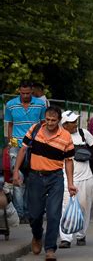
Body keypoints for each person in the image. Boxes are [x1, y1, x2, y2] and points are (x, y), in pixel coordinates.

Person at [12, 106, 77, 261]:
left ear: (59, 121)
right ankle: (37, 235)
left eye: (53, 120)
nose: (50, 123)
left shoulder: (66, 136)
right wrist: (15, 172)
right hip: (35, 177)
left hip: (56, 178)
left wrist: (70, 183)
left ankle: (50, 249)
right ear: (44, 118)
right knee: (34, 215)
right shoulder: (35, 129)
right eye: (47, 119)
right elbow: (22, 150)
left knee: (54, 214)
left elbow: (68, 161)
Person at [58, 110, 93, 248]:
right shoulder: (59, 136)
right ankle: (66, 237)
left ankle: (81, 235)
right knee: (65, 207)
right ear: (64, 124)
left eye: (75, 121)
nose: (75, 124)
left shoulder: (83, 133)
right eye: (72, 122)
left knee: (84, 207)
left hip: (86, 178)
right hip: (66, 178)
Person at [5, 81, 46, 223]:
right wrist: (10, 142)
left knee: (31, 180)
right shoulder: (10, 105)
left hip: (34, 145)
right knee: (17, 179)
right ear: (19, 91)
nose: (25, 95)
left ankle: (28, 212)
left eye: (28, 93)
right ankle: (20, 213)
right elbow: (10, 124)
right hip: (16, 146)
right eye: (23, 93)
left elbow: (43, 125)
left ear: (32, 91)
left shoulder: (40, 105)